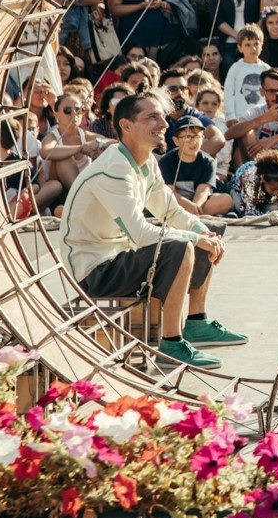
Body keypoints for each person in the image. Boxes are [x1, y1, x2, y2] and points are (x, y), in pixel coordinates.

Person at [58, 91, 245, 370]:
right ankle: (171, 343)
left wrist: (203, 233)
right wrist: (195, 239)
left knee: (208, 229)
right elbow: (141, 234)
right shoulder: (114, 168)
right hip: (95, 272)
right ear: (126, 125)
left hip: (119, 257)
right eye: (152, 117)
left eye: (162, 115)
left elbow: (170, 211)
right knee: (180, 245)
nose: (164, 123)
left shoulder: (146, 161)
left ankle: (196, 322)